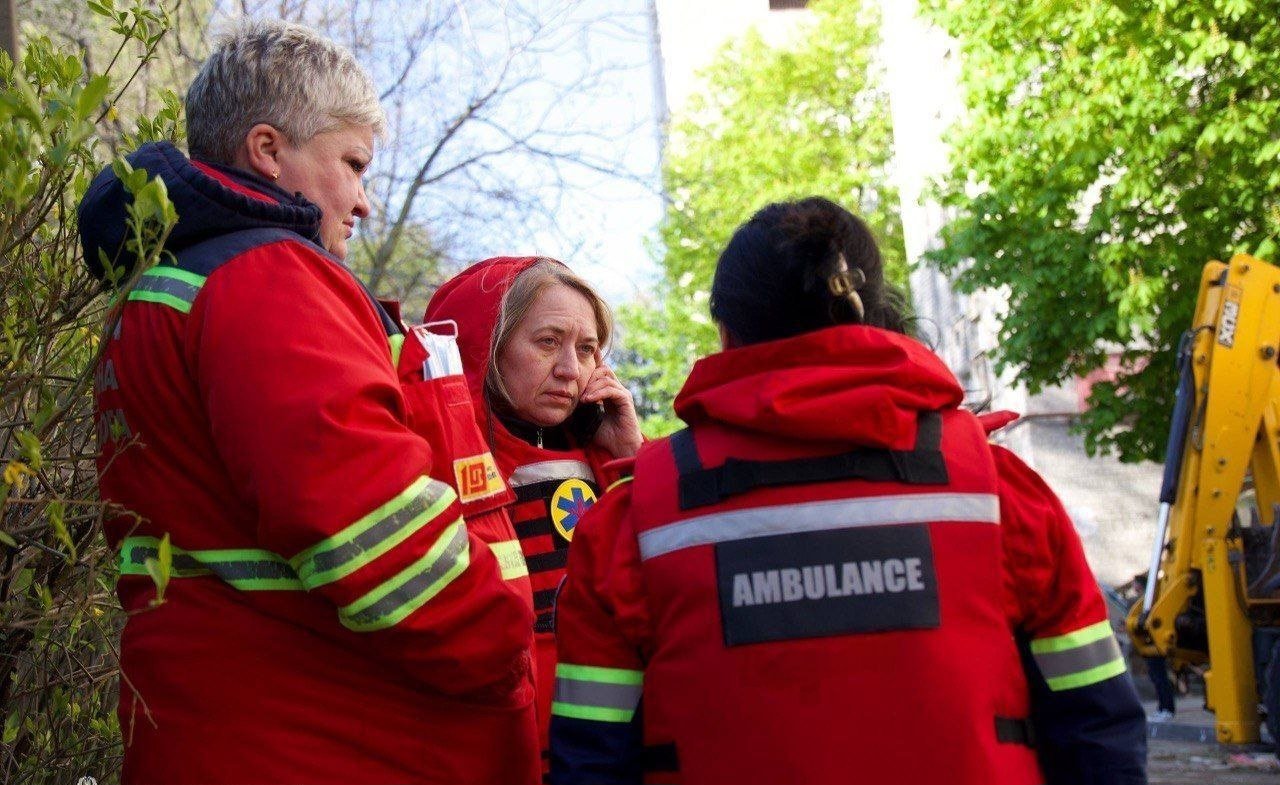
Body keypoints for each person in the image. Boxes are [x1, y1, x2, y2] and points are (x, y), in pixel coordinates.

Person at [548, 197, 1148, 785]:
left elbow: (591, 759)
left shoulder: (634, 524)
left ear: (727, 332)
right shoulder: (1000, 495)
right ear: (878, 313)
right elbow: (1097, 729)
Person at [79, 19, 537, 785]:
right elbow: (369, 530)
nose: (362, 201)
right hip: (325, 742)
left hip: (226, 729)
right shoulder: (268, 278)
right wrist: (502, 647)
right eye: (352, 164)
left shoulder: (169, 288)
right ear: (267, 150)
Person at [424, 257, 653, 776]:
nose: (572, 369)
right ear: (487, 345)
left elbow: (661, 591)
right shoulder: (433, 462)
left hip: (603, 752)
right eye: (548, 342)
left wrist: (629, 459)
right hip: (488, 747)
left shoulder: (618, 461)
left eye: (588, 348)